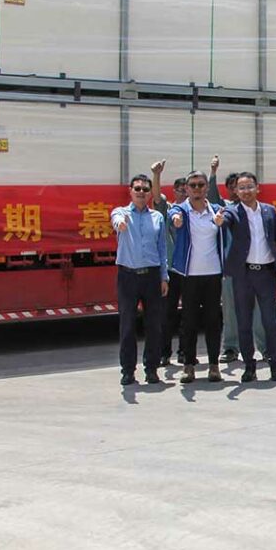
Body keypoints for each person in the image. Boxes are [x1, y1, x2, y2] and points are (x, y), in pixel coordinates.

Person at [218, 171, 276, 383]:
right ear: (236, 191)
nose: (246, 191)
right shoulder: (232, 212)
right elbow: (225, 220)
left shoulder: (269, 211)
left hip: (266, 273)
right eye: (242, 188)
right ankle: (249, 366)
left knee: (269, 321)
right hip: (243, 274)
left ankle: (275, 364)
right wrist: (220, 220)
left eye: (250, 186)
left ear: (257, 188)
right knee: (244, 322)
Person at [168, 170, 226, 384]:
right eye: (192, 185)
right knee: (189, 321)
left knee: (213, 321)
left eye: (201, 185)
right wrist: (176, 220)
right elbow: (173, 214)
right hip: (189, 275)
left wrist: (222, 222)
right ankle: (189, 365)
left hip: (213, 274)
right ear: (186, 189)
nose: (197, 189)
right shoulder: (181, 210)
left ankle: (213, 365)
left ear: (207, 188)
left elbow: (229, 221)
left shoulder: (216, 210)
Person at [111, 174, 169, 386]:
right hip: (128, 275)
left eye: (145, 189)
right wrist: (121, 224)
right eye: (137, 189)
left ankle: (151, 368)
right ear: (130, 191)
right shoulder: (121, 212)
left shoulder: (157, 217)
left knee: (154, 325)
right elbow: (117, 222)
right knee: (127, 325)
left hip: (152, 275)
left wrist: (164, 276)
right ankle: (128, 371)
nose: (141, 193)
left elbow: (162, 248)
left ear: (150, 193)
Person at [150, 161, 186, 366]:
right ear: (174, 191)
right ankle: (165, 353)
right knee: (167, 313)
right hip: (170, 269)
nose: (184, 193)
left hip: (189, 269)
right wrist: (156, 175)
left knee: (188, 314)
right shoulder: (167, 209)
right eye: (180, 190)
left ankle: (184, 351)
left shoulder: (194, 211)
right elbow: (156, 197)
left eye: (186, 189)